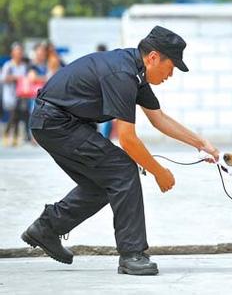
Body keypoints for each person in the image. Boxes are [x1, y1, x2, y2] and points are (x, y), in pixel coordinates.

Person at [21, 26, 219, 276]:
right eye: (172, 66)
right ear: (154, 57)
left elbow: (159, 119)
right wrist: (159, 172)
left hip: (58, 122)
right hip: (55, 122)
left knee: (104, 182)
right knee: (123, 169)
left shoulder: (136, 72)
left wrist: (202, 144)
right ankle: (132, 254)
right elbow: (128, 139)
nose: (172, 73)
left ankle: (46, 229)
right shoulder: (123, 74)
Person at [1, 42, 28, 146]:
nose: (19, 54)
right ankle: (8, 134)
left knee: (17, 115)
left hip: (21, 94)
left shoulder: (24, 66)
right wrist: (14, 78)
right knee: (14, 115)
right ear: (12, 53)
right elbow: (3, 78)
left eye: (20, 52)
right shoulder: (8, 65)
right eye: (17, 52)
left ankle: (14, 138)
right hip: (10, 95)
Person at [95, 44, 114, 139]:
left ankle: (104, 138)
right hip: (105, 95)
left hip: (100, 95)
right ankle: (105, 138)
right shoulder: (109, 64)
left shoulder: (95, 63)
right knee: (107, 118)